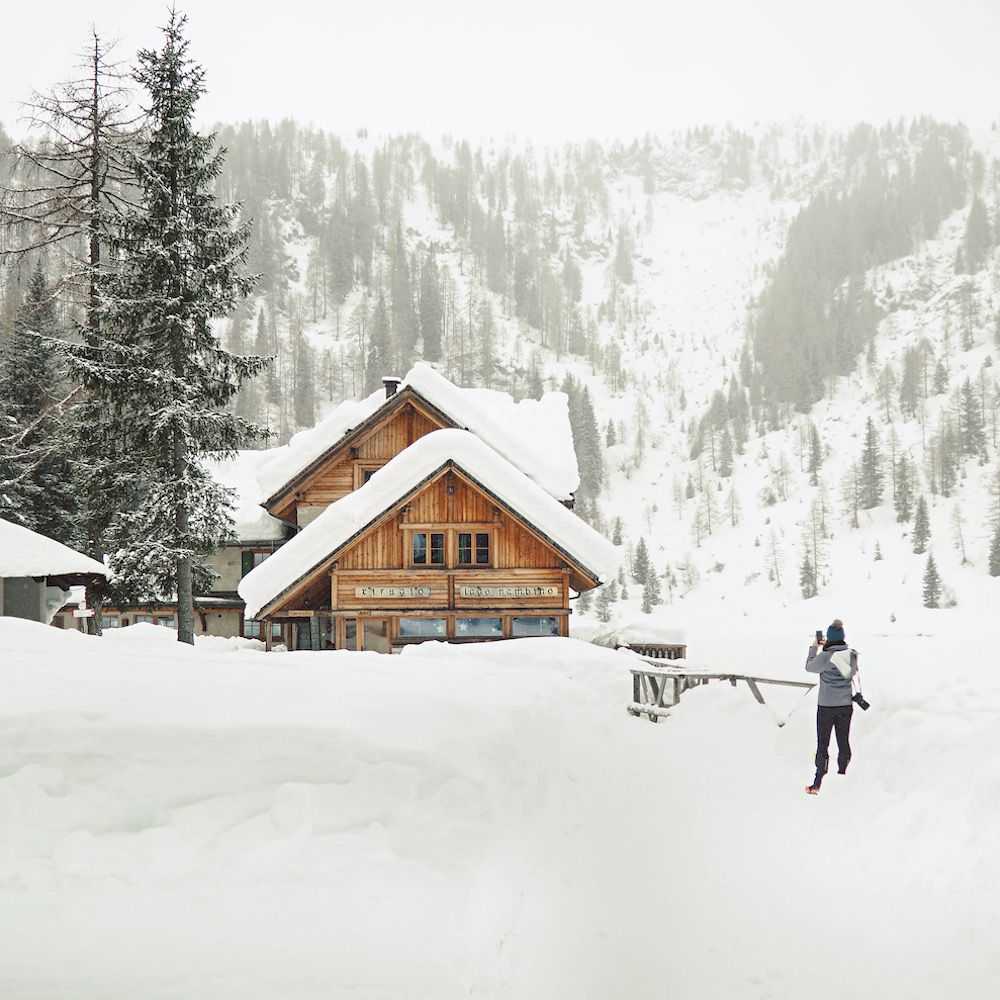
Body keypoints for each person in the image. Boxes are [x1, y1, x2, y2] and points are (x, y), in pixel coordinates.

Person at [804, 618, 858, 795]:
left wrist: (814, 648)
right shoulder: (851, 654)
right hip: (845, 706)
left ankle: (818, 781)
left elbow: (809, 667)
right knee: (843, 741)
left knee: (823, 743)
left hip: (826, 706)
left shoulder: (825, 656)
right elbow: (852, 671)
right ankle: (843, 775)